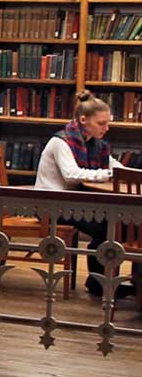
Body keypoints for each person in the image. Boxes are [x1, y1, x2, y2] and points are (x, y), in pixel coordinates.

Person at [35, 91, 128, 298]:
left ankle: (103, 282)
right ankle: (99, 284)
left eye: (107, 123)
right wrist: (107, 174)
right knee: (107, 227)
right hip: (52, 205)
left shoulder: (95, 143)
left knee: (115, 224)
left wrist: (129, 175)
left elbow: (114, 166)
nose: (106, 128)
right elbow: (71, 175)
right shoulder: (62, 141)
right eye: (101, 123)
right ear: (83, 120)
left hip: (72, 202)